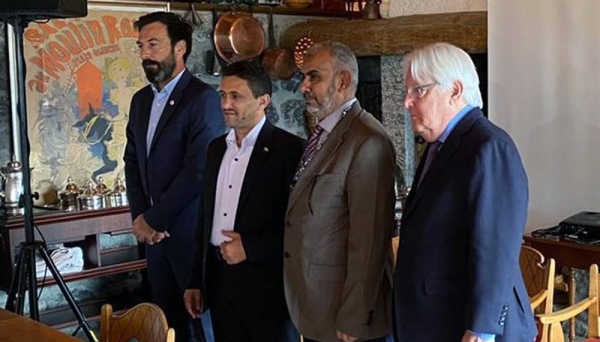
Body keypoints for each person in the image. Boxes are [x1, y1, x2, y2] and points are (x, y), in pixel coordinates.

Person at [393, 42, 537, 342]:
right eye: (407, 92)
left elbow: (498, 247)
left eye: (418, 90)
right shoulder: (441, 144)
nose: (407, 102)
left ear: (455, 91)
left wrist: (481, 330)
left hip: (468, 327)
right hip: (435, 319)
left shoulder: (488, 146)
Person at [183, 60, 304, 342]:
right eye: (223, 95)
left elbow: (302, 227)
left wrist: (251, 247)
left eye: (236, 96)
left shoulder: (290, 150)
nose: (226, 103)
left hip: (267, 286)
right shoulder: (215, 149)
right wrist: (195, 280)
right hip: (219, 282)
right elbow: (204, 218)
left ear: (263, 101)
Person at [284, 41, 396, 342]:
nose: (304, 86)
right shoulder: (325, 132)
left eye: (314, 77)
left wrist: (355, 316)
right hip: (318, 309)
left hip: (348, 321)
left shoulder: (367, 140)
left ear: (343, 81)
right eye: (303, 77)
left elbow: (369, 240)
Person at [123, 11, 225, 342]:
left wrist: (155, 219)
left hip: (188, 237)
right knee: (166, 327)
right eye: (141, 46)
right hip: (154, 239)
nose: (145, 54)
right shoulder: (140, 101)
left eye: (153, 44)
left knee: (201, 328)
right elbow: (132, 160)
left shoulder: (202, 99)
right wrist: (141, 216)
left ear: (179, 48)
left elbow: (198, 171)